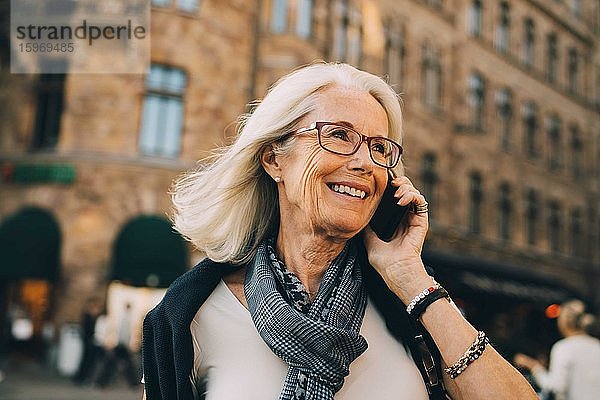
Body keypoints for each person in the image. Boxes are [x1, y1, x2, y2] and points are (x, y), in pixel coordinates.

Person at [142, 62, 538, 400]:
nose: (365, 162)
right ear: (274, 160)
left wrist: (409, 275)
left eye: (379, 147)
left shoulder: (405, 304)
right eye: (338, 135)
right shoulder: (190, 316)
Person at [514, 299, 600, 400]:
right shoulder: (596, 345)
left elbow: (556, 386)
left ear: (564, 322)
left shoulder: (564, 347)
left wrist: (534, 366)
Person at [96, 303, 139, 388]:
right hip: (119, 345)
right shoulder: (124, 318)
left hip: (121, 345)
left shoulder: (124, 318)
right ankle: (133, 383)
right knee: (122, 364)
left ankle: (102, 383)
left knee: (114, 364)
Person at [73, 298, 103, 385]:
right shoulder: (88, 318)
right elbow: (88, 331)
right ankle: (81, 379)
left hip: (89, 343)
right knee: (86, 362)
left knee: (87, 362)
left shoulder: (91, 318)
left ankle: (82, 379)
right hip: (89, 343)